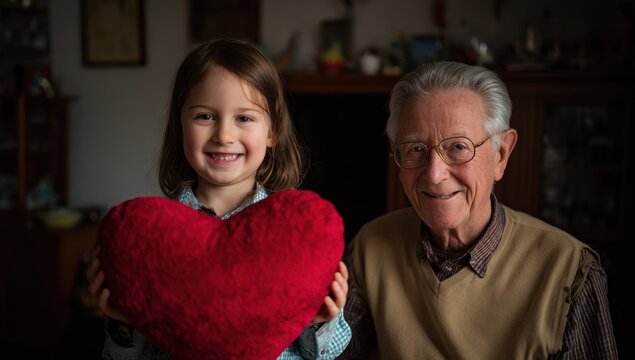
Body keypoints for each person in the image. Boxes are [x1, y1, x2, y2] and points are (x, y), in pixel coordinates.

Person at [86, 38, 351, 359]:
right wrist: (122, 324)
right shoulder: (150, 241)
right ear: (180, 125)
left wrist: (318, 322)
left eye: (245, 118)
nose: (224, 135)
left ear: (273, 132)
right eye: (205, 117)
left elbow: (328, 352)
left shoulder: (300, 238)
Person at [338, 61, 618, 359]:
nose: (434, 174)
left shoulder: (569, 271)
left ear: (501, 154)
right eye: (416, 149)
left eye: (458, 147)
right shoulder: (370, 247)